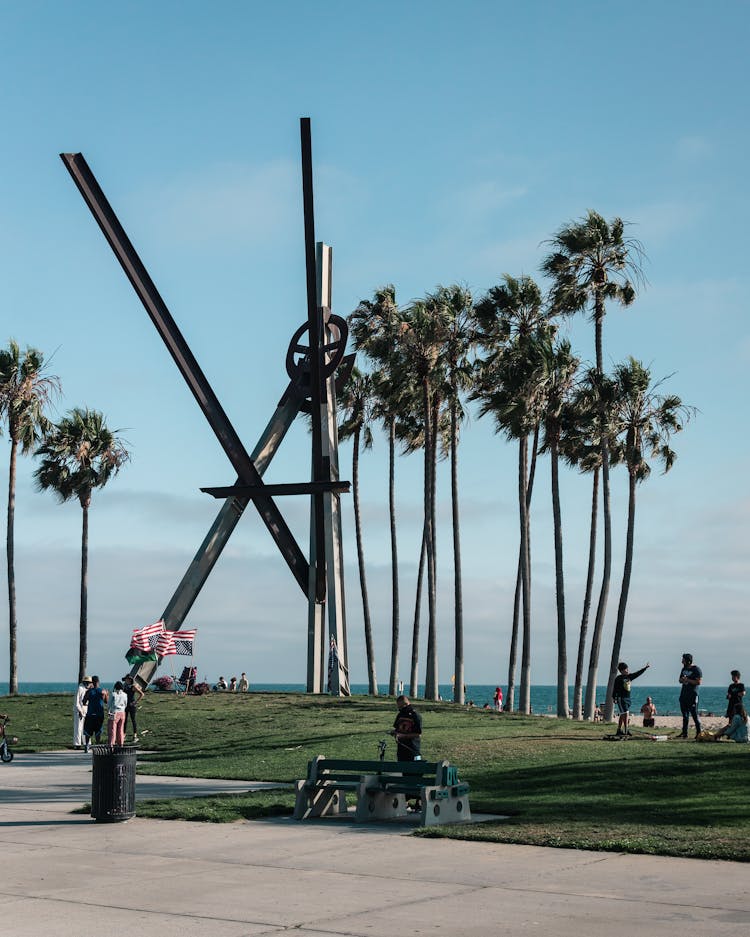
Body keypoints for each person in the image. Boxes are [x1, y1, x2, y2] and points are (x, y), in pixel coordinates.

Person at [612, 661, 650, 736]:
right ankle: (626, 730)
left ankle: (619, 730)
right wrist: (614, 698)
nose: (627, 670)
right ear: (622, 670)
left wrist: (645, 668)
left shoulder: (629, 677)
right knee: (625, 714)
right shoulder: (618, 678)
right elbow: (615, 689)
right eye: (626, 669)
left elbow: (637, 674)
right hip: (621, 698)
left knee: (623, 715)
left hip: (628, 699)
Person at [389, 695, 422, 761]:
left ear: (406, 704)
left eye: (401, 707)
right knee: (402, 769)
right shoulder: (400, 715)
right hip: (401, 750)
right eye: (399, 707)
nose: (400, 709)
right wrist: (395, 733)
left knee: (413, 770)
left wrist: (403, 736)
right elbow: (397, 729)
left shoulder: (415, 715)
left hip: (412, 750)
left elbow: (418, 734)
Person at [678, 652, 702, 739]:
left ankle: (699, 733)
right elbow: (680, 680)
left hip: (693, 695)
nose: (681, 661)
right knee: (685, 715)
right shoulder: (683, 669)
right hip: (684, 695)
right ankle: (684, 733)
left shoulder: (696, 669)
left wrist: (688, 679)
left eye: (683, 660)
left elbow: (698, 682)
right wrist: (683, 680)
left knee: (694, 714)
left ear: (688, 661)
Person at [82, 676, 108, 752]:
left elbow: (83, 702)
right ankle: (97, 746)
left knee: (88, 731)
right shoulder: (102, 691)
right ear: (98, 682)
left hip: (90, 713)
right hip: (99, 714)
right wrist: (106, 694)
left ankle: (87, 746)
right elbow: (106, 701)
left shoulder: (89, 691)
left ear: (92, 682)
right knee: (98, 731)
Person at [122, 674, 144, 742]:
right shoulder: (124, 686)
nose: (126, 680)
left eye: (127, 679)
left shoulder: (133, 686)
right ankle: (124, 735)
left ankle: (135, 735)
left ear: (130, 680)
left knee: (133, 720)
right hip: (125, 705)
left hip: (132, 706)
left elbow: (142, 694)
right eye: (125, 679)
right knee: (124, 721)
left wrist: (135, 702)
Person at [107, 681, 128, 746]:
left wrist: (108, 710)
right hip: (122, 712)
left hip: (114, 712)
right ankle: (121, 744)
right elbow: (125, 704)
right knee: (121, 729)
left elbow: (109, 704)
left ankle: (111, 744)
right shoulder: (125, 694)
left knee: (113, 729)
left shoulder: (113, 694)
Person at [73, 676, 91, 749]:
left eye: (89, 683)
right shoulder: (80, 689)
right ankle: (77, 744)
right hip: (79, 709)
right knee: (78, 727)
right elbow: (77, 701)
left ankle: (86, 743)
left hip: (86, 708)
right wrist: (80, 711)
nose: (88, 684)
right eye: (87, 682)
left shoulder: (88, 689)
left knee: (86, 727)